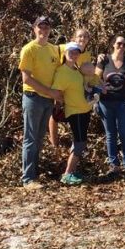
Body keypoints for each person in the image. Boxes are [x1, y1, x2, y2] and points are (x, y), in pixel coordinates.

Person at [19, 15, 62, 189]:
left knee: (38, 138)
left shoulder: (54, 49)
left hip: (47, 100)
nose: (43, 31)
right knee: (30, 138)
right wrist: (50, 92)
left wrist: (56, 96)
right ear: (34, 29)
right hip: (33, 98)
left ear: (50, 30)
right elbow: (27, 78)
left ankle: (34, 174)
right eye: (40, 27)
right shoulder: (29, 49)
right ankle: (28, 179)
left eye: (46, 27)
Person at [51, 42, 94, 185]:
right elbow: (57, 93)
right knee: (80, 143)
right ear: (64, 53)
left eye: (76, 52)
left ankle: (72, 171)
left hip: (84, 111)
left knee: (79, 142)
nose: (74, 54)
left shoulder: (76, 69)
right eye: (71, 52)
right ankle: (67, 174)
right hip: (75, 112)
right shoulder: (62, 72)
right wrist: (58, 108)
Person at [96, 35, 125, 179]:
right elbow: (95, 80)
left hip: (123, 103)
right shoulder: (104, 60)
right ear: (113, 44)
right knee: (110, 135)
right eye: (119, 43)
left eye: (124, 44)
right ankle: (114, 165)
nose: (122, 46)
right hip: (106, 103)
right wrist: (100, 90)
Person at [49, 28, 93, 146]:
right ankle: (54, 143)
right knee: (55, 114)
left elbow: (86, 72)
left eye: (85, 37)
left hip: (74, 86)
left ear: (88, 40)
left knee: (71, 117)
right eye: (80, 36)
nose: (82, 39)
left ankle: (76, 143)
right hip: (61, 82)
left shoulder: (87, 54)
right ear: (74, 38)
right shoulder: (64, 48)